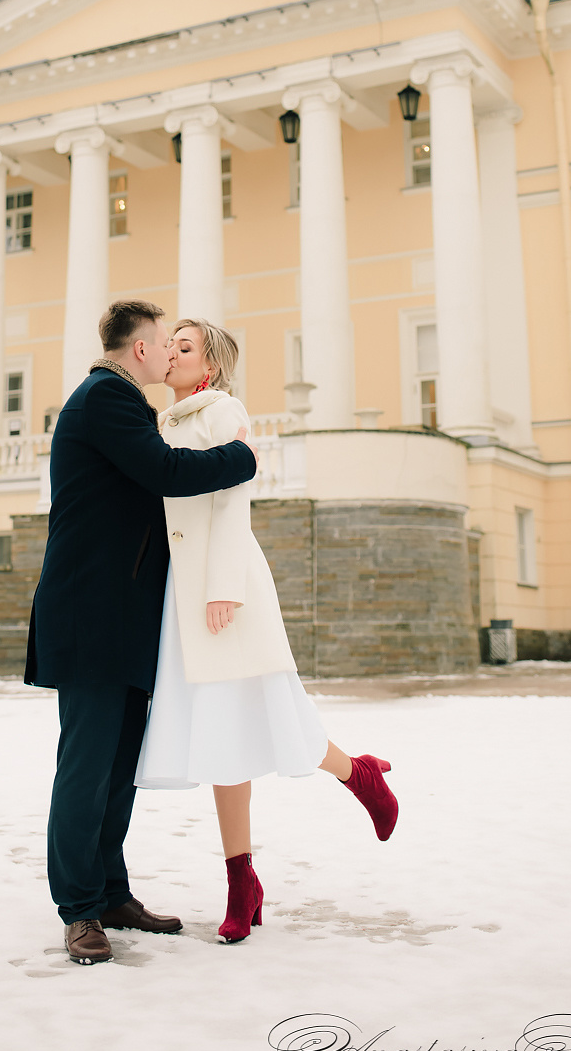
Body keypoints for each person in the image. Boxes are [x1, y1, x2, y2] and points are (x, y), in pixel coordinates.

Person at [134, 317, 398, 943]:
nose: (172, 351)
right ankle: (241, 880)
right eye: (169, 343)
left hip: (226, 592)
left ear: (212, 366)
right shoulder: (162, 424)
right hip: (182, 594)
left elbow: (234, 500)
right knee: (223, 732)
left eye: (186, 346)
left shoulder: (224, 413)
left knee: (270, 712)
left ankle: (358, 774)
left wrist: (223, 587)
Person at [25, 299, 258, 966]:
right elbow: (165, 473)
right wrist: (241, 458)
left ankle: (112, 893)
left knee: (118, 769)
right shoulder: (107, 399)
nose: (169, 352)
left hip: (123, 616)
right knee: (87, 767)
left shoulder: (121, 402)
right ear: (140, 350)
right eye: (164, 342)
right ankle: (79, 910)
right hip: (91, 614)